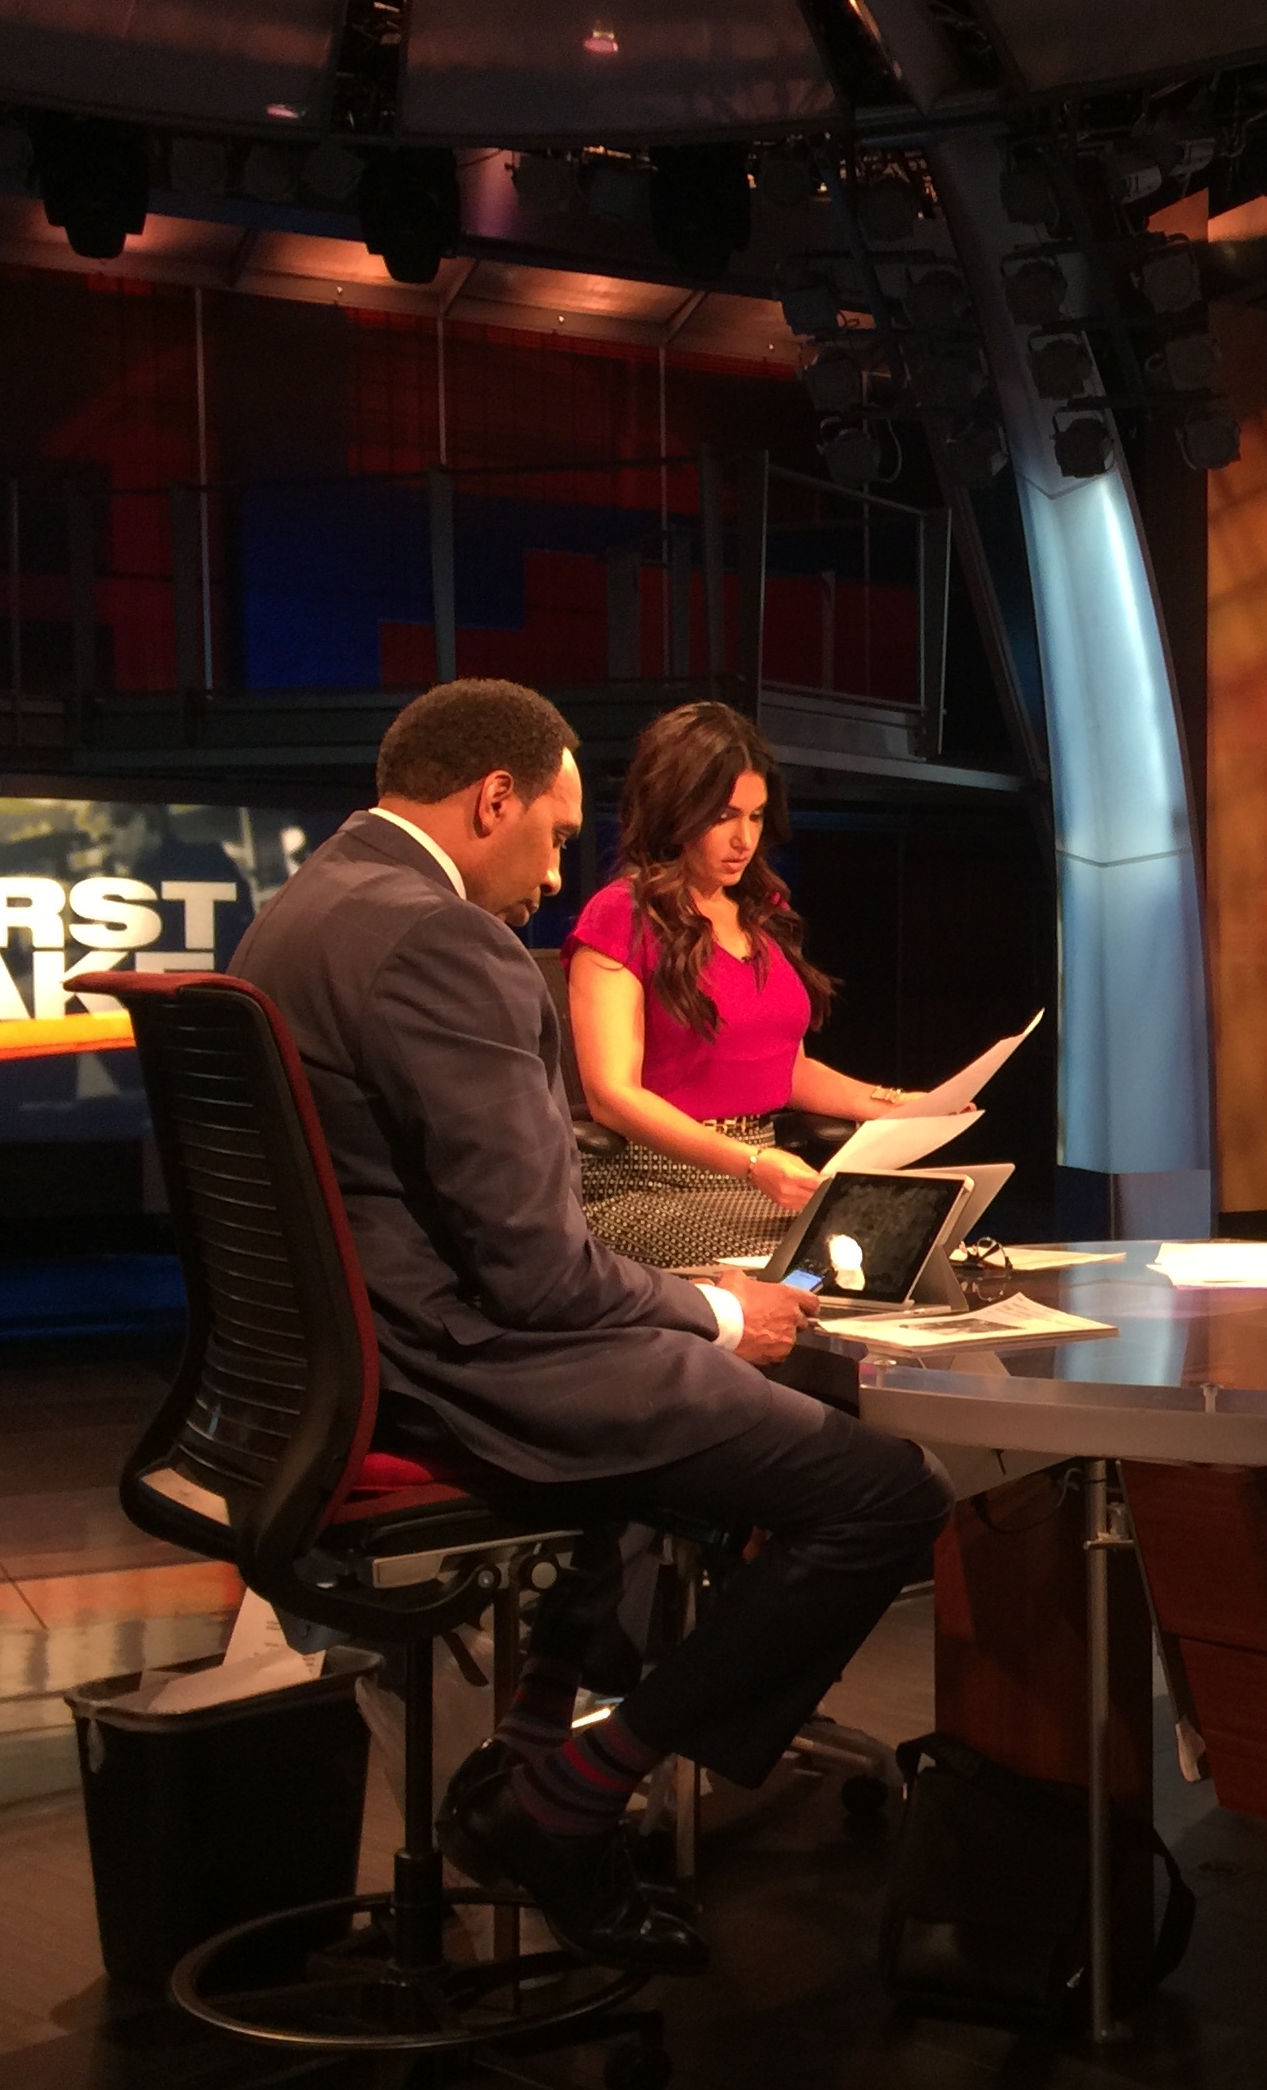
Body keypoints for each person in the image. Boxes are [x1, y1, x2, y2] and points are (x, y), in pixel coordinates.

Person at [229, 678, 955, 1976]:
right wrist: (720, 1309)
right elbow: (541, 1274)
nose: (560, 874)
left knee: (704, 1418)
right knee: (888, 1490)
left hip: (333, 1375)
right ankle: (569, 1796)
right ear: (491, 800)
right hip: (464, 1372)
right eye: (555, 836)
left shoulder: (296, 913)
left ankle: (528, 1742)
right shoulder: (442, 943)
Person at [565, 701, 917, 1269]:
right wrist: (748, 1164)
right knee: (811, 1262)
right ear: (675, 810)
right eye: (725, 816)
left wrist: (899, 1107)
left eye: (755, 817)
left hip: (762, 1173)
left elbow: (785, 1069)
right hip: (650, 1184)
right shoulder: (620, 916)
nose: (744, 839)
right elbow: (611, 1096)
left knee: (905, 1240)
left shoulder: (760, 913)